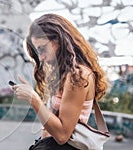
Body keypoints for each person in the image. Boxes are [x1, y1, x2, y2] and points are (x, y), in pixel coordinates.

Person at [12, 13, 108, 149]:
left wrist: (33, 98)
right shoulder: (66, 74)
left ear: (60, 39)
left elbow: (62, 135)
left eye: (42, 49)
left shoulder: (78, 75)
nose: (41, 57)